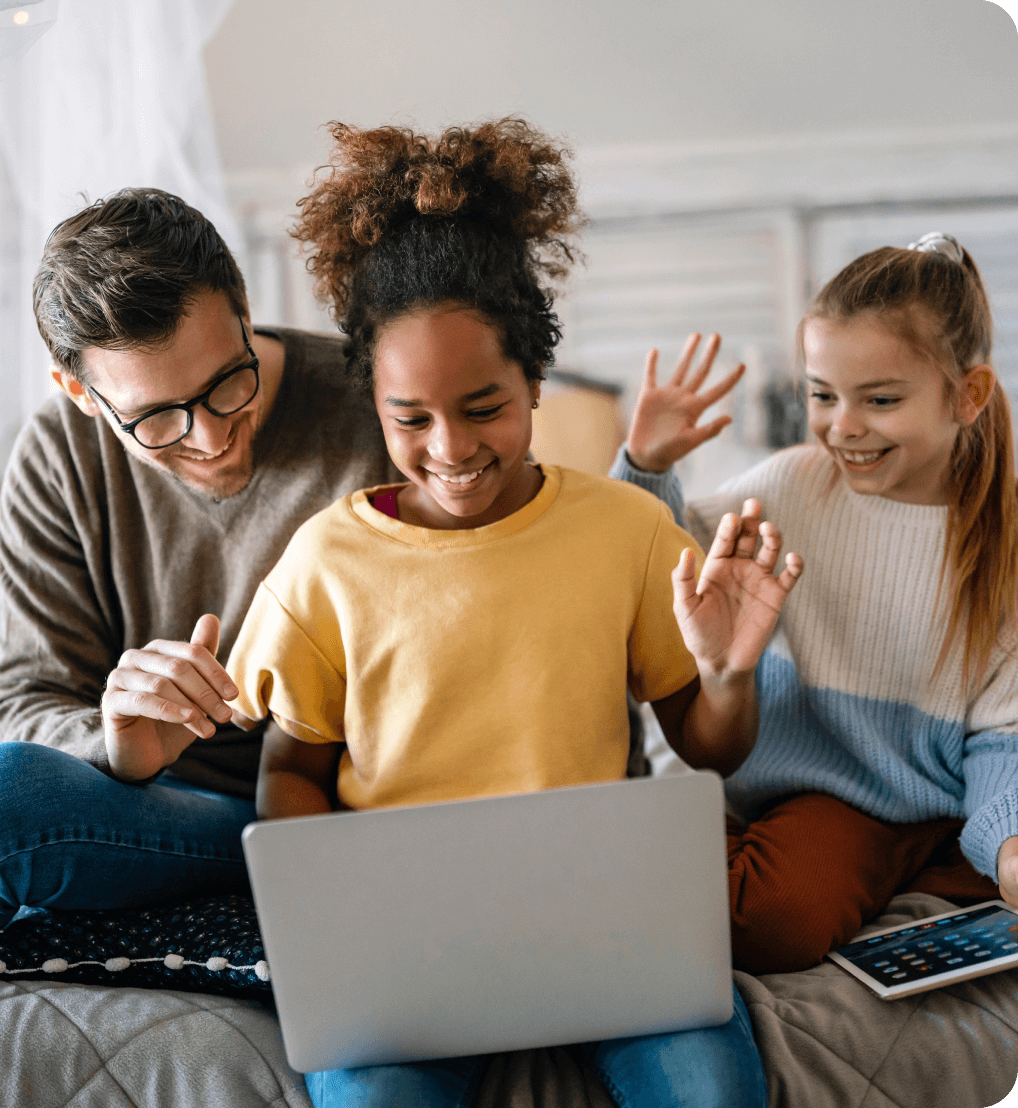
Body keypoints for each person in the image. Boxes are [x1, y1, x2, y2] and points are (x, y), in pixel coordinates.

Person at [225, 118, 796, 1108]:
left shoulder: (627, 530)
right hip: (402, 953)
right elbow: (291, 777)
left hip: (607, 932)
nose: (448, 446)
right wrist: (346, 928)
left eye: (484, 405)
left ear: (536, 379)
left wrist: (731, 672)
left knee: (713, 1092)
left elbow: (710, 753)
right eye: (411, 418)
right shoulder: (324, 563)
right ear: (377, 402)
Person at [0, 187, 398, 955]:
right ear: (81, 394)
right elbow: (15, 704)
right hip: (127, 783)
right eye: (157, 418)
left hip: (278, 803)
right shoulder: (58, 451)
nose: (210, 439)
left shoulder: (377, 407)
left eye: (228, 382)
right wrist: (113, 743)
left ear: (243, 306)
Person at [612, 233, 1018, 974]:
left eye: (881, 400)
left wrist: (1009, 842)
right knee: (770, 919)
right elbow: (656, 556)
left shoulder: (1002, 543)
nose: (843, 426)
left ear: (969, 395)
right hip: (814, 792)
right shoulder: (797, 482)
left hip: (933, 807)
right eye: (823, 396)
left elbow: (1004, 735)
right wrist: (646, 465)